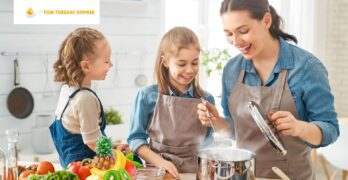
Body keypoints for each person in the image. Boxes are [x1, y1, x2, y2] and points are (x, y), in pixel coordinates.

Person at [197, 0, 339, 179]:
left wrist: (298, 127)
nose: (236, 41)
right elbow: (235, 130)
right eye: (229, 33)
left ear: (266, 21)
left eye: (243, 31)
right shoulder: (232, 70)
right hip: (244, 175)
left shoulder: (307, 68)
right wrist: (216, 121)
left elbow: (331, 129)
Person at [127, 27, 215, 177]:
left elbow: (208, 142)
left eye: (194, 63)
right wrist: (160, 162)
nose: (189, 70)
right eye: (182, 64)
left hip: (195, 173)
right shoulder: (147, 96)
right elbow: (135, 139)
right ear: (166, 62)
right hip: (158, 172)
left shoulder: (207, 99)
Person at [49, 27, 113, 168]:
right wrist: (115, 156)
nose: (111, 65)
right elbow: (93, 142)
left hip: (70, 168)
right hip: (87, 169)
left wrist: (114, 147)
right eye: (107, 61)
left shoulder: (67, 90)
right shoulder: (85, 98)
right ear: (86, 66)